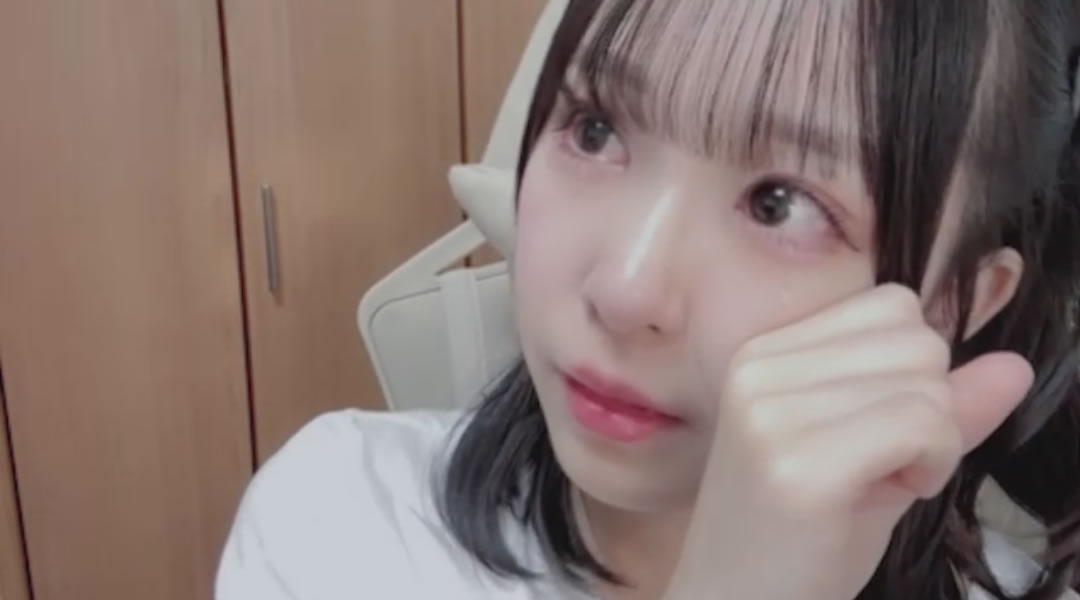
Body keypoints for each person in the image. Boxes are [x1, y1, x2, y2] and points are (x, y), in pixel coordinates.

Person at [214, 1, 1080, 598]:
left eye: (780, 204)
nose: (624, 290)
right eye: (595, 129)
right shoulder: (343, 525)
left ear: (952, 302)